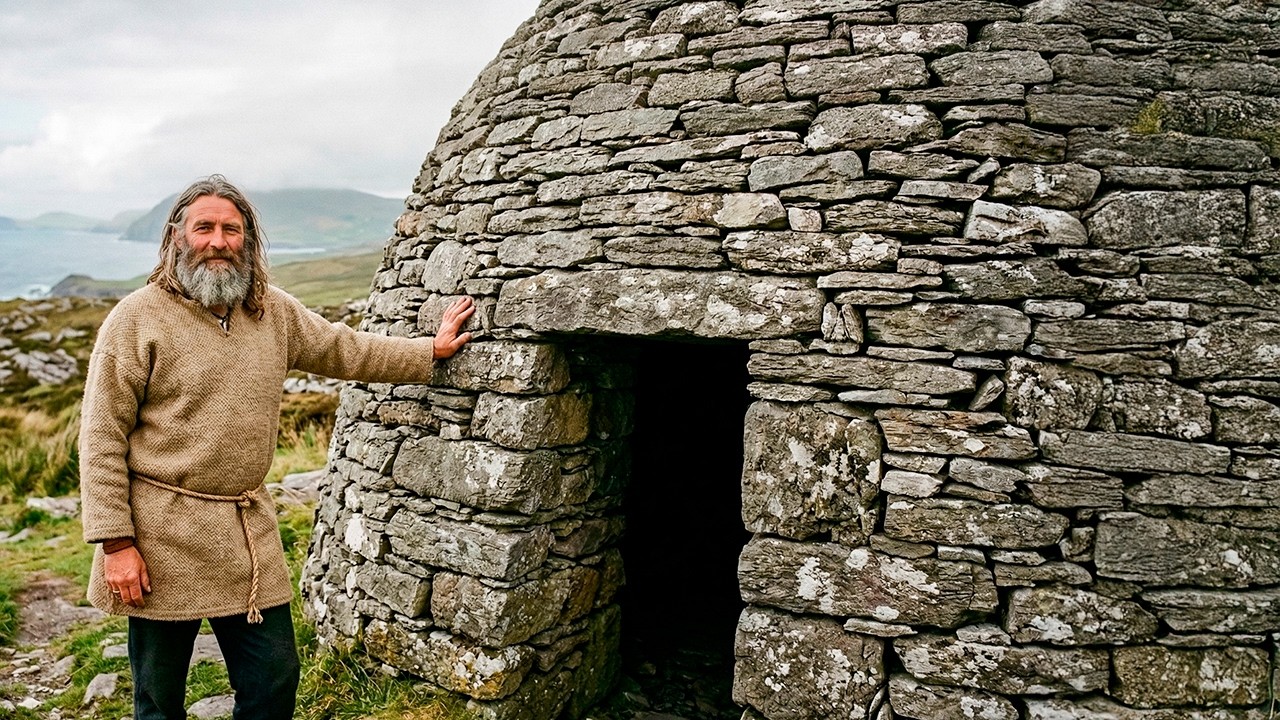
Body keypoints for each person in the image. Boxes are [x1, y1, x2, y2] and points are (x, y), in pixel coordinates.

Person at [78, 174, 474, 720]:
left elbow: (345, 350)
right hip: (159, 534)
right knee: (158, 698)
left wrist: (428, 351)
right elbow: (100, 437)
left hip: (245, 535)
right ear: (176, 237)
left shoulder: (272, 311)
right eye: (204, 228)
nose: (218, 241)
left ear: (248, 239)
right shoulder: (136, 320)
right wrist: (116, 542)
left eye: (231, 229)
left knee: (275, 676)